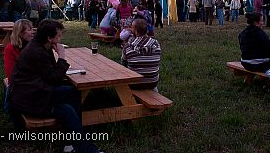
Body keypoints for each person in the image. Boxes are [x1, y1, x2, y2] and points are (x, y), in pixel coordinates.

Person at [9, 19, 101, 153]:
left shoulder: (41, 46)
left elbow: (51, 74)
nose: (61, 38)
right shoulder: (37, 52)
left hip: (31, 93)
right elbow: (54, 79)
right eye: (58, 36)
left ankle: (74, 142)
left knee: (71, 99)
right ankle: (83, 146)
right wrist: (62, 56)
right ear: (49, 38)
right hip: (31, 99)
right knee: (70, 101)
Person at [121, 18, 161, 91]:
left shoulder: (128, 46)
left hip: (134, 84)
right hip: (152, 83)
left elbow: (123, 65)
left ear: (135, 31)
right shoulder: (156, 44)